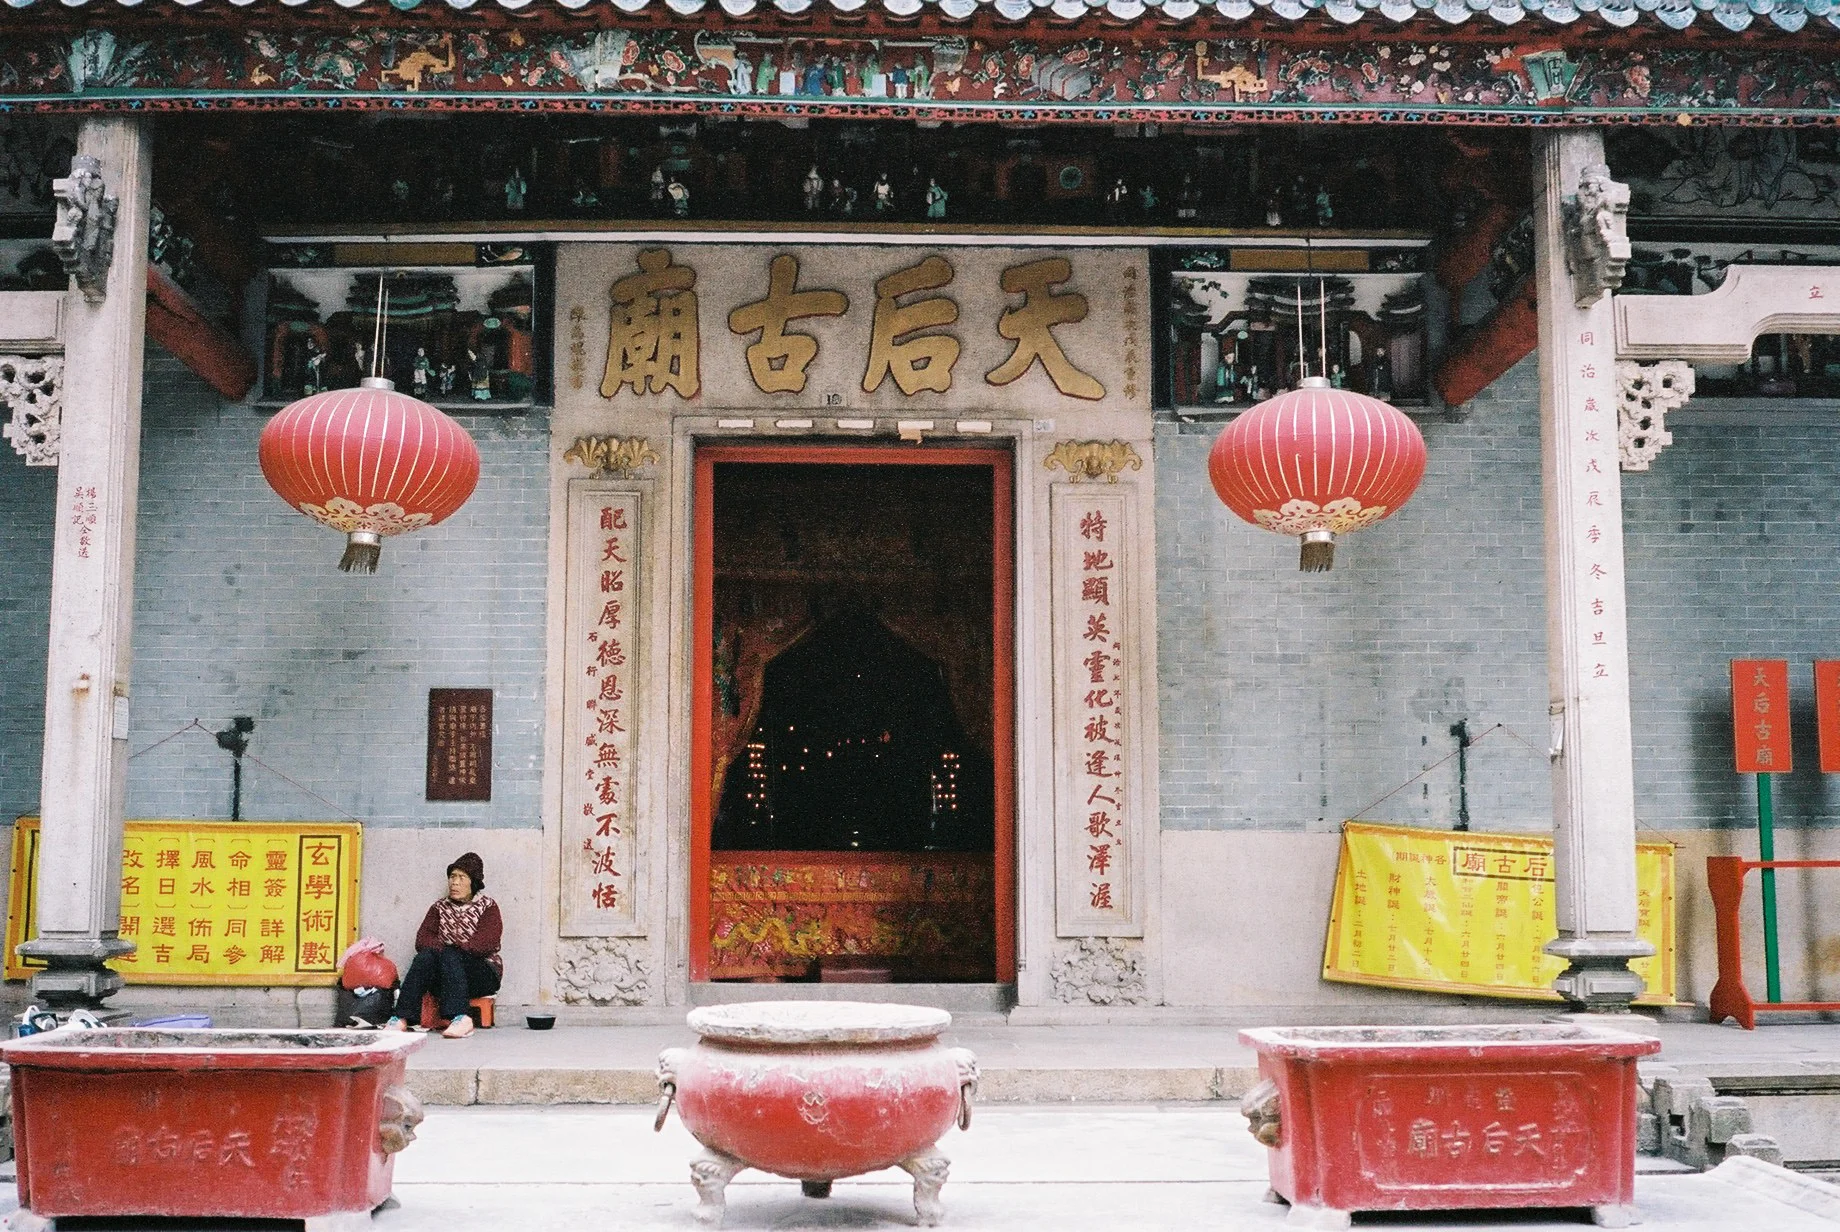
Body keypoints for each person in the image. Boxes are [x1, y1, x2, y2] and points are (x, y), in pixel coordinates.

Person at [385, 852, 502, 1038]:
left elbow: (486, 942)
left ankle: (461, 1017)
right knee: (425, 957)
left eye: (461, 878)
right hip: (446, 977)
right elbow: (422, 939)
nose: (454, 882)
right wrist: (444, 951)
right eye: (452, 877)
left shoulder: (487, 906)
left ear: (474, 882)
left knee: (451, 954)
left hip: (482, 975)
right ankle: (401, 1018)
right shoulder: (439, 907)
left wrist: (454, 949)